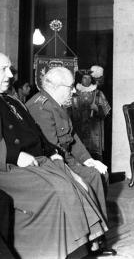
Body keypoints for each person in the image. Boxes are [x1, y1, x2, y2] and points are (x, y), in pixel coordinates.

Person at [0, 53, 111, 258]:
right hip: (11, 165)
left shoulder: (12, 102)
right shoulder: (40, 105)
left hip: (39, 158)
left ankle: (89, 242)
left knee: (78, 180)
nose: (10, 74)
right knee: (61, 187)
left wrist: (60, 155)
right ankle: (69, 248)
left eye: (9, 68)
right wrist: (16, 156)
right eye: (4, 69)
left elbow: (44, 137)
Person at [26, 67, 116, 255]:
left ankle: (97, 236)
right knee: (92, 177)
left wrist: (89, 160)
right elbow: (52, 148)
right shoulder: (40, 107)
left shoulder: (56, 104)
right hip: (52, 162)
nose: (73, 91)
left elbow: (72, 138)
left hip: (64, 157)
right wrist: (78, 166)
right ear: (56, 87)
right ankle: (94, 240)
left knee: (98, 171)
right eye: (69, 87)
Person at [70, 69, 111, 161]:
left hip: (94, 131)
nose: (87, 80)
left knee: (95, 156)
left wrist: (97, 109)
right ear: (81, 79)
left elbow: (106, 112)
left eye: (89, 78)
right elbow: (68, 112)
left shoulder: (98, 94)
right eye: (84, 78)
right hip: (78, 129)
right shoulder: (74, 94)